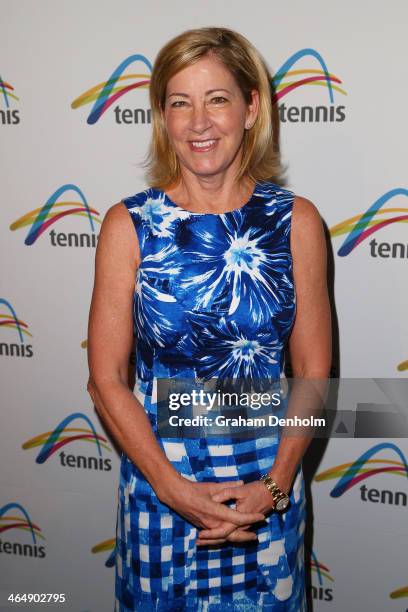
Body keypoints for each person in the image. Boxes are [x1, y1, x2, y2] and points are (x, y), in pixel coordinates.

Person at [87, 26, 331, 612]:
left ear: (252, 108)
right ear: (163, 117)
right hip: (160, 491)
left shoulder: (296, 222)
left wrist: (272, 488)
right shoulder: (129, 226)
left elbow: (314, 371)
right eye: (180, 102)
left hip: (267, 488)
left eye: (217, 99)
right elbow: (106, 379)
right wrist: (177, 492)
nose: (199, 122)